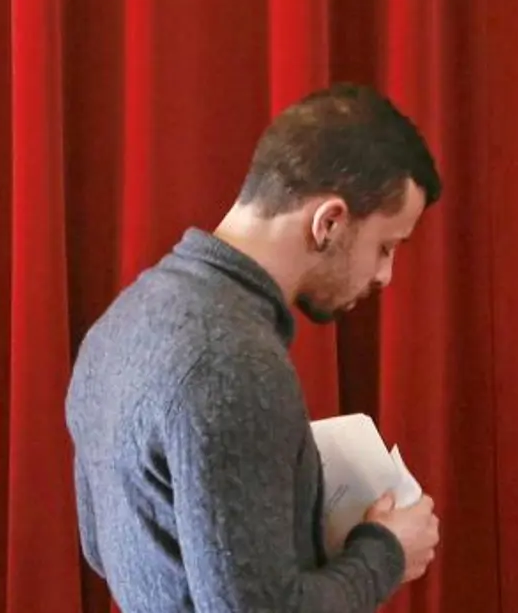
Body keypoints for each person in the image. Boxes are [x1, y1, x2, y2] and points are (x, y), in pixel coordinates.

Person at [65, 83, 444, 612]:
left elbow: (102, 549)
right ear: (329, 222)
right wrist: (386, 553)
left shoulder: (118, 324)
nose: (385, 275)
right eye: (385, 247)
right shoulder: (231, 362)